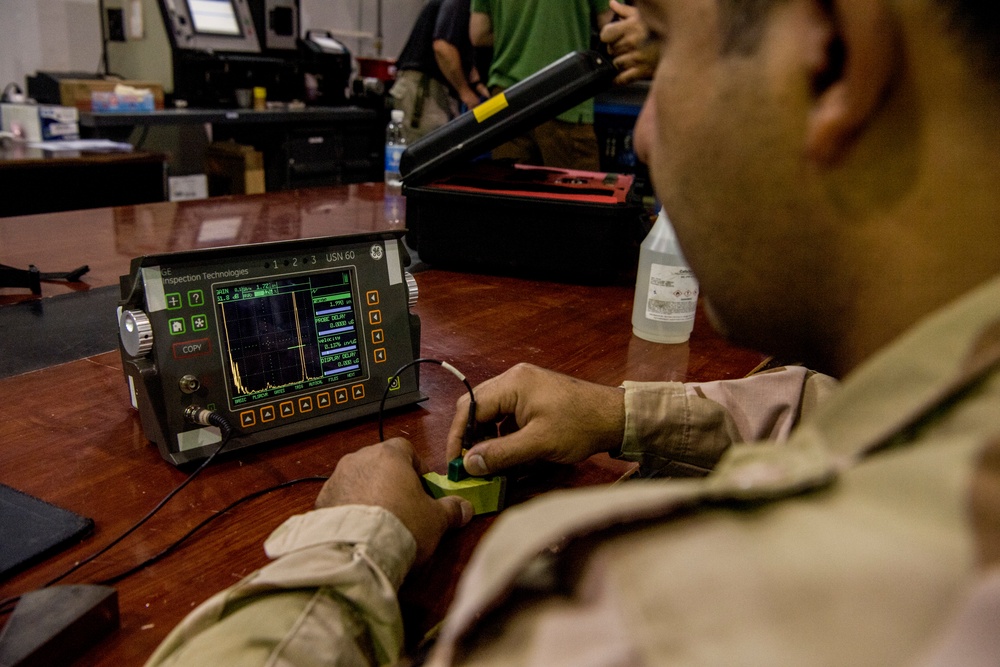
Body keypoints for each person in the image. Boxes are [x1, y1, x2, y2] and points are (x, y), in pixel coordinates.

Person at [147, 0, 1000, 665]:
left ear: (834, 59)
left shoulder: (663, 613)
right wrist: (619, 414)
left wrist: (351, 540)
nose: (648, 137)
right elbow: (844, 408)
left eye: (663, 47)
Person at [469, 0, 614, 170]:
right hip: (565, 95)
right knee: (574, 193)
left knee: (510, 191)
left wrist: (519, 38)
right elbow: (611, 27)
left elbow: (478, 34)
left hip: (505, 100)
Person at [389, 0, 490, 143]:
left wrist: (478, 87)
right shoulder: (460, 3)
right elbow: (443, 47)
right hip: (424, 89)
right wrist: (465, 92)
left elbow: (466, 59)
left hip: (431, 89)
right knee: (426, 153)